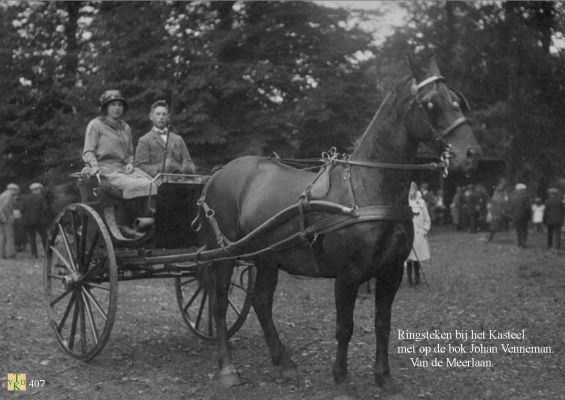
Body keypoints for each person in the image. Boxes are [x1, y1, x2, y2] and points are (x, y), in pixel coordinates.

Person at [82, 89, 156, 235]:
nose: (117, 108)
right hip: (105, 169)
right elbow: (88, 151)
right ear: (105, 108)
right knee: (135, 185)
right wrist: (94, 166)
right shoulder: (95, 125)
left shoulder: (125, 127)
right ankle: (125, 224)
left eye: (120, 105)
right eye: (113, 105)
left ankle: (145, 221)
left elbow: (129, 153)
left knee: (153, 183)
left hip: (125, 169)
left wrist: (130, 163)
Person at [135, 100, 195, 177]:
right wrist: (162, 167)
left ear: (168, 117)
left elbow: (188, 162)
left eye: (164, 114)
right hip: (156, 183)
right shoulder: (144, 140)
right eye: (158, 114)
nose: (161, 117)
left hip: (179, 180)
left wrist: (186, 168)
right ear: (151, 116)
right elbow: (140, 167)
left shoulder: (178, 139)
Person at [406, 182, 431, 287]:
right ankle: (409, 279)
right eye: (410, 189)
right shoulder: (406, 203)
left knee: (417, 258)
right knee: (408, 258)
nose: (412, 191)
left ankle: (417, 278)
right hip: (408, 233)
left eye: (413, 189)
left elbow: (427, 218)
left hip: (418, 234)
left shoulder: (421, 202)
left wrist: (425, 229)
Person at [20, 182, 51, 258]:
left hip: (28, 222)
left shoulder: (26, 198)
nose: (41, 190)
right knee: (44, 237)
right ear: (38, 189)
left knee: (32, 238)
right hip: (40, 221)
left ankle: (34, 255)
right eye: (40, 189)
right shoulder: (41, 198)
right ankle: (47, 253)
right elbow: (45, 208)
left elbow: (22, 209)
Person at [0, 183, 20, 259]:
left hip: (0, 218)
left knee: (2, 236)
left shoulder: (2, 194)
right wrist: (9, 216)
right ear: (12, 190)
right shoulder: (8, 195)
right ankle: (10, 254)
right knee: (9, 236)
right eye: (15, 191)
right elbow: (5, 206)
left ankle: (2, 254)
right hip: (5, 218)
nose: (16, 193)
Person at [509, 183, 531, 248]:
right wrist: (529, 217)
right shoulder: (526, 197)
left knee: (518, 230)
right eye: (524, 190)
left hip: (516, 216)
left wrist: (513, 216)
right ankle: (523, 243)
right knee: (524, 230)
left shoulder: (513, 197)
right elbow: (528, 208)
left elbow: (511, 208)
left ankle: (519, 243)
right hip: (524, 216)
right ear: (522, 190)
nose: (524, 191)